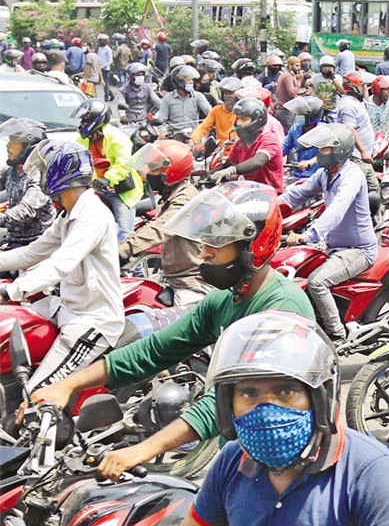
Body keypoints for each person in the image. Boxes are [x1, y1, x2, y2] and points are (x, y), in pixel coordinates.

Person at [23, 182, 316, 476]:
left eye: (216, 243)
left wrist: (143, 450)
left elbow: (230, 397)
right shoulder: (225, 298)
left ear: (253, 245)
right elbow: (156, 350)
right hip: (248, 449)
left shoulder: (281, 309)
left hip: (291, 459)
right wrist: (67, 385)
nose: (204, 254)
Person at [123, 310, 389, 526]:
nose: (266, 410)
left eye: (286, 391)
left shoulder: (370, 473)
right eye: (248, 393)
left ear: (319, 399)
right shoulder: (233, 461)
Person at [0, 142, 122, 395]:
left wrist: (11, 291)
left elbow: (61, 264)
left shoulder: (93, 215)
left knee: (37, 394)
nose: (39, 176)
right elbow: (33, 252)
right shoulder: (68, 214)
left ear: (60, 172)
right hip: (66, 307)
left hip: (92, 320)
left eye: (43, 170)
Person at [278, 125, 377, 340]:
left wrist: (308, 235)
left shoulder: (351, 176)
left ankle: (337, 336)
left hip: (357, 250)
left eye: (323, 150)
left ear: (339, 151)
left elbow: (336, 211)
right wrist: (266, 207)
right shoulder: (325, 174)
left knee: (317, 282)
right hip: (332, 245)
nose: (318, 153)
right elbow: (296, 194)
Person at [121, 141, 210, 306]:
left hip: (191, 286)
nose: (149, 173)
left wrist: (124, 251)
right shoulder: (172, 193)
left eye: (154, 169)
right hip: (172, 279)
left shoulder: (186, 199)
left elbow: (161, 227)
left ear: (172, 172)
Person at [72, 99, 143, 241]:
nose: (82, 124)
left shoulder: (117, 137)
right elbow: (75, 159)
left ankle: (125, 258)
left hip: (119, 190)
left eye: (85, 120)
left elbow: (124, 164)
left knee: (125, 235)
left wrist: (107, 179)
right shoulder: (83, 140)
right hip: (93, 189)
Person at [211, 98, 285, 194]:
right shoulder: (240, 143)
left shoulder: (269, 139)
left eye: (244, 119)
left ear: (258, 120)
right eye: (238, 118)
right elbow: (229, 164)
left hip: (269, 194)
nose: (239, 123)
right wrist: (210, 174)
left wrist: (232, 170)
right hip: (249, 191)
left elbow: (257, 162)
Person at [0, 119, 54, 250]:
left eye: (14, 142)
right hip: (14, 238)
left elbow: (26, 210)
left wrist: (2, 217)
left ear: (28, 146)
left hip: (37, 243)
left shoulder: (40, 174)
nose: (8, 146)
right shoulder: (11, 170)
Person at [334, 71, 377, 192]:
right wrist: (363, 151)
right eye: (362, 85)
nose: (365, 88)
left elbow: (366, 102)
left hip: (362, 158)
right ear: (355, 87)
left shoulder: (356, 103)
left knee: (372, 190)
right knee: (366, 190)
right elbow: (349, 129)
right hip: (356, 157)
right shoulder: (349, 105)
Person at [190, 76, 241, 149]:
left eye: (231, 93)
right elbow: (203, 127)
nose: (228, 96)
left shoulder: (244, 111)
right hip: (221, 152)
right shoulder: (216, 111)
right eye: (225, 93)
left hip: (239, 151)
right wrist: (193, 140)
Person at [282, 96, 326, 179]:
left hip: (317, 177)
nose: (298, 117)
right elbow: (284, 147)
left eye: (302, 115)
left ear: (312, 116)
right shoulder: (295, 128)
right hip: (298, 175)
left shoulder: (324, 131)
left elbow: (327, 153)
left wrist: (310, 162)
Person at [96, 33, 113, 101]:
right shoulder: (99, 48)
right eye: (100, 40)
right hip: (99, 68)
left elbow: (110, 60)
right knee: (103, 83)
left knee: (105, 83)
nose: (100, 42)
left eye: (102, 40)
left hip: (105, 69)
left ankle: (106, 97)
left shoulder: (108, 49)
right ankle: (111, 95)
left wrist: (104, 66)